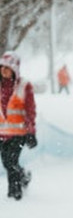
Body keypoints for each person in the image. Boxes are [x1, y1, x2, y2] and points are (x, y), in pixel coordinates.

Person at [0, 51, 37, 200]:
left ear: (14, 69)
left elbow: (30, 110)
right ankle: (23, 176)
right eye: (2, 67)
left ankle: (15, 194)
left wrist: (31, 132)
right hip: (2, 134)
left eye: (7, 68)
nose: (3, 70)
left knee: (11, 162)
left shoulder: (24, 86)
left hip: (18, 134)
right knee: (6, 163)